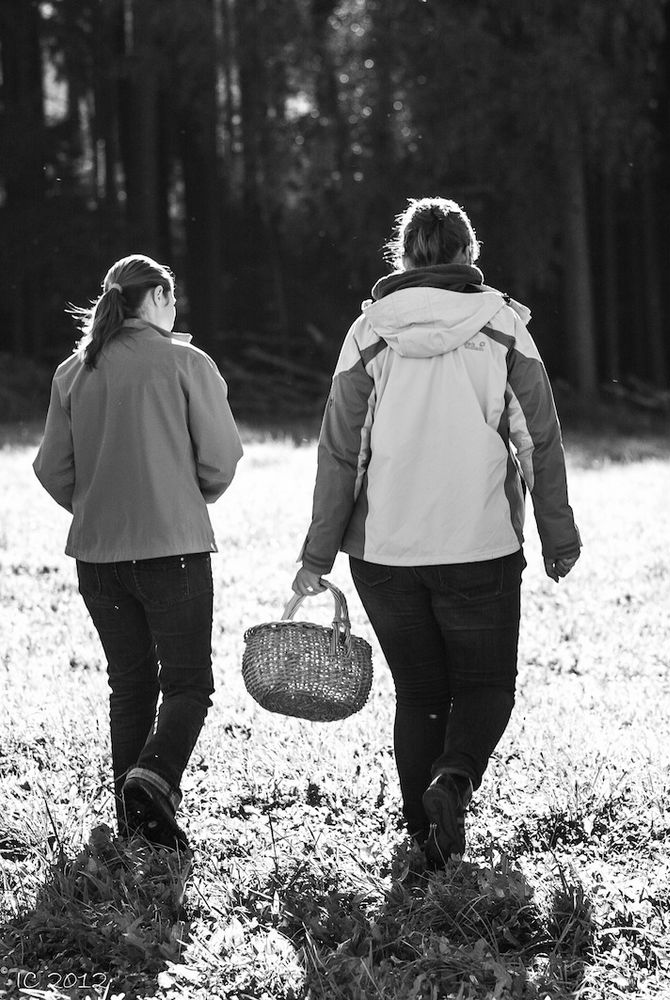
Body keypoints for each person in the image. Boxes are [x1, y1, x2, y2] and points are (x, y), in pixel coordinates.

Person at [293, 197, 581, 868]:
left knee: (421, 690)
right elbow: (538, 439)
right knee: (485, 686)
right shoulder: (504, 325)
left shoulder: (368, 333)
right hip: (478, 544)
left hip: (384, 554)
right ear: (468, 255)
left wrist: (318, 550)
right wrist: (557, 535)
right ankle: (453, 780)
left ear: (404, 258)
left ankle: (424, 839)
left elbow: (341, 451)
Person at [34, 253, 243, 851]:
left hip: (97, 559)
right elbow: (222, 460)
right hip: (173, 549)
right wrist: (183, 494)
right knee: (188, 686)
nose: (176, 309)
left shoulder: (74, 371)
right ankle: (153, 784)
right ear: (154, 297)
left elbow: (51, 468)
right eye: (171, 297)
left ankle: (136, 826)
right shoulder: (185, 362)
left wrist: (99, 506)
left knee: (130, 685)